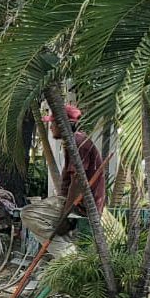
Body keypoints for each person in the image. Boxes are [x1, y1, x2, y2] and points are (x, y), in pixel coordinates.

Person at [21, 104, 105, 257]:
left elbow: (78, 182)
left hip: (81, 204)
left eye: (52, 123)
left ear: (62, 124)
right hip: (76, 201)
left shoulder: (78, 143)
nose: (51, 127)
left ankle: (68, 258)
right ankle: (66, 253)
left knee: (28, 214)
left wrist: (64, 215)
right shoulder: (74, 142)